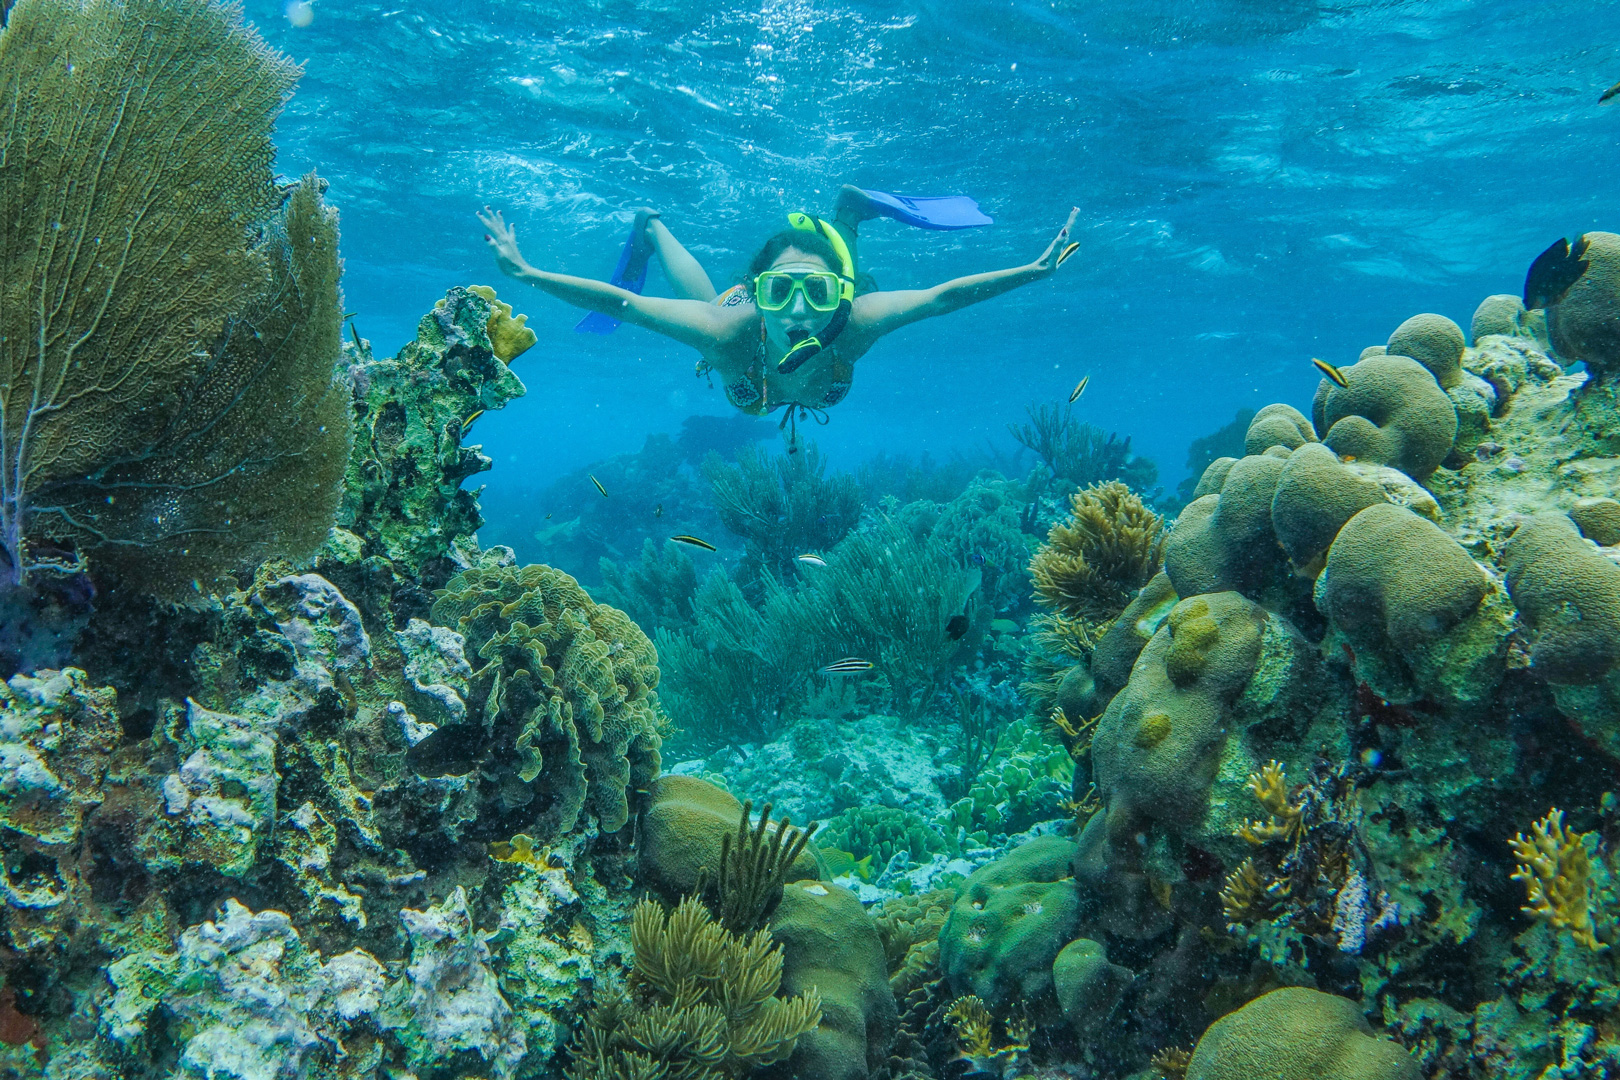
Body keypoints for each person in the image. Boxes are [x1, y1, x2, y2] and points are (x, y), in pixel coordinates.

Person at [477, 186, 1079, 446]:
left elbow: (942, 297)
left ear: (840, 300)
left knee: (842, 248)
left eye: (816, 295)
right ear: (759, 291)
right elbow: (627, 304)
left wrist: (1034, 270)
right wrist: (527, 275)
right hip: (731, 332)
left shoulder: (859, 321)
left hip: (813, 307)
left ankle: (849, 210)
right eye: (780, 291)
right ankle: (652, 225)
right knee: (710, 312)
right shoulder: (727, 329)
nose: (796, 312)